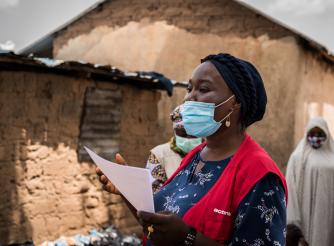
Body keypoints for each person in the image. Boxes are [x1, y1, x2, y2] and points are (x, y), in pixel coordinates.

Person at [96, 53, 287, 246]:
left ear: (235, 102)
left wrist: (187, 238)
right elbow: (159, 230)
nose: (189, 97)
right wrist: (129, 190)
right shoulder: (195, 156)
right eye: (189, 88)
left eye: (203, 89)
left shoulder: (260, 175)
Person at [286, 117, 334, 246]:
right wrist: (294, 223)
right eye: (313, 133)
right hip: (305, 216)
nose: (316, 137)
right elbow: (291, 188)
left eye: (320, 133)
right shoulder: (298, 158)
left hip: (328, 215)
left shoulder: (332, 156)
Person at [147, 105, 202, 193]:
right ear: (175, 130)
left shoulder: (212, 154)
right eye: (183, 133)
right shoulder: (159, 155)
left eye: (193, 133)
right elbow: (154, 195)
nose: (188, 138)